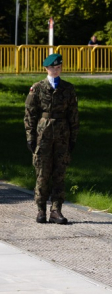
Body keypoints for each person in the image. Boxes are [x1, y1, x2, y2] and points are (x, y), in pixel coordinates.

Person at [24, 53, 79, 224]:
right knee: (42, 172)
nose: (55, 70)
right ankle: (41, 209)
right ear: (46, 68)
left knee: (59, 172)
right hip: (43, 135)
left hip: (63, 134)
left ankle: (56, 210)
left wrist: (73, 138)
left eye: (58, 67)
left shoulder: (68, 89)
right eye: (52, 67)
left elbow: (73, 115)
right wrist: (30, 136)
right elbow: (30, 114)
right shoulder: (38, 88)